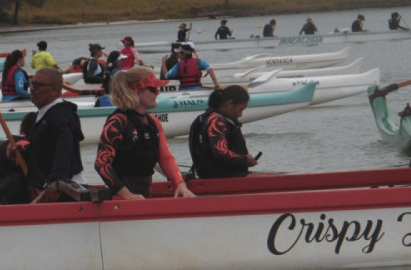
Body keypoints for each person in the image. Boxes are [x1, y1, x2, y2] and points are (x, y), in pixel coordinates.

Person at [94, 67, 195, 200]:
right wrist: (127, 195)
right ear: (136, 91)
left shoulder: (152, 121)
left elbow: (165, 157)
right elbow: (101, 164)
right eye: (152, 89)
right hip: (119, 198)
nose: (157, 93)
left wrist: (179, 184)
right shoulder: (117, 122)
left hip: (143, 193)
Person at [26, 68, 84, 189]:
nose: (32, 88)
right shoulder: (45, 113)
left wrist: (54, 184)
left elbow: (65, 151)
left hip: (65, 188)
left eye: (38, 85)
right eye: (32, 83)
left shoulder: (61, 117)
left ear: (53, 90)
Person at [188, 85, 258, 179]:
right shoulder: (216, 121)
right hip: (221, 178)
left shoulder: (209, 117)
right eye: (240, 109)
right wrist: (245, 159)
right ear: (230, 103)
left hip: (218, 175)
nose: (240, 114)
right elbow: (220, 152)